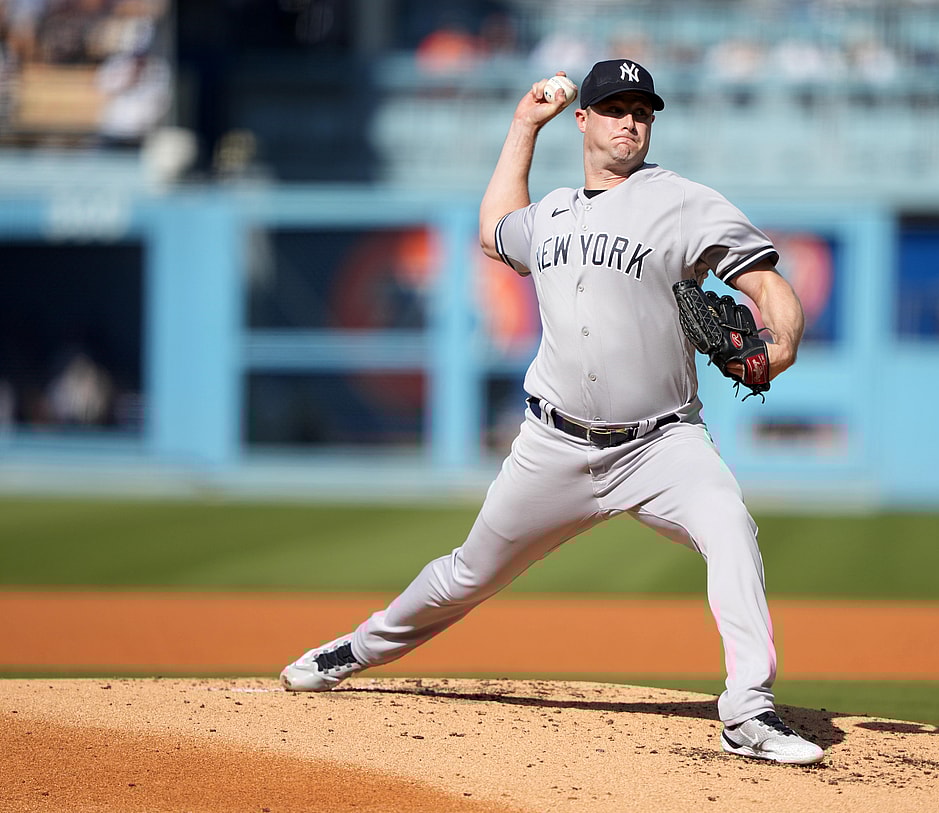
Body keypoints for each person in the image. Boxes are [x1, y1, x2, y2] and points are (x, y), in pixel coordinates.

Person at [280, 59, 822, 766]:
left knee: (731, 528)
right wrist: (521, 126)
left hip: (662, 443)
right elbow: (493, 229)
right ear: (584, 120)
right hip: (554, 444)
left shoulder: (684, 202)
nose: (631, 120)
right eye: (616, 107)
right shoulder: (555, 213)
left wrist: (779, 347)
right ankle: (352, 648)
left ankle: (747, 711)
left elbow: (767, 284)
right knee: (466, 573)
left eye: (642, 109)